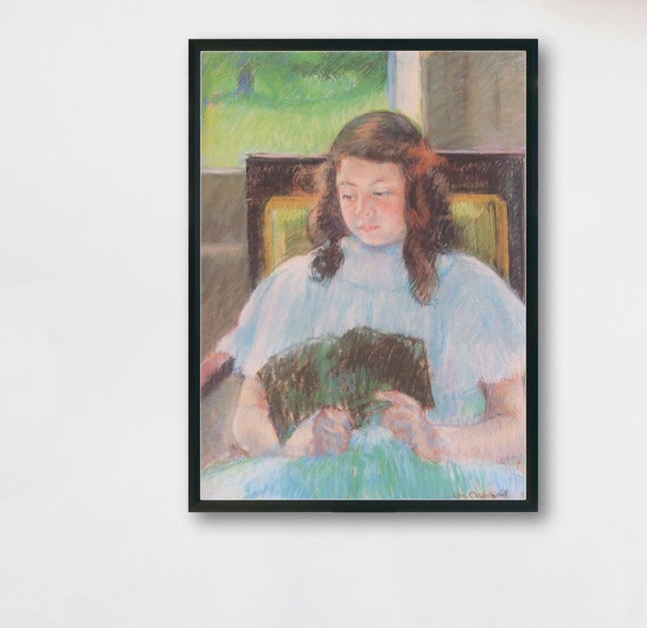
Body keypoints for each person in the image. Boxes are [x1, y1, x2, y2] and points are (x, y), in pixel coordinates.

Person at [202, 111, 527, 500]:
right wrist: (293, 442)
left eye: (380, 192)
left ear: (414, 193)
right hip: (313, 484)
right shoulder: (294, 285)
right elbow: (247, 416)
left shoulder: (469, 288)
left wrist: (435, 440)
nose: (362, 210)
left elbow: (517, 424)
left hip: (437, 484)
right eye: (348, 193)